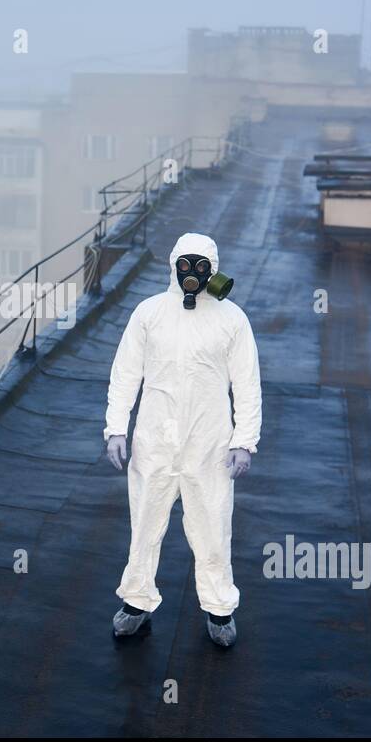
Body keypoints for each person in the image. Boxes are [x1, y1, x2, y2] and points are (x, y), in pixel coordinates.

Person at [103, 232, 262, 648]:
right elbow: (125, 374)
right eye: (185, 265)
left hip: (208, 445)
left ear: (213, 269)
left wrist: (244, 441)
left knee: (212, 527)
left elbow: (247, 385)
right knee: (144, 526)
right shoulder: (149, 313)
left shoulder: (232, 320)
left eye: (201, 266)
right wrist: (116, 428)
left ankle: (219, 609)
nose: (192, 274)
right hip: (154, 442)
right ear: (174, 267)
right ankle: (136, 601)